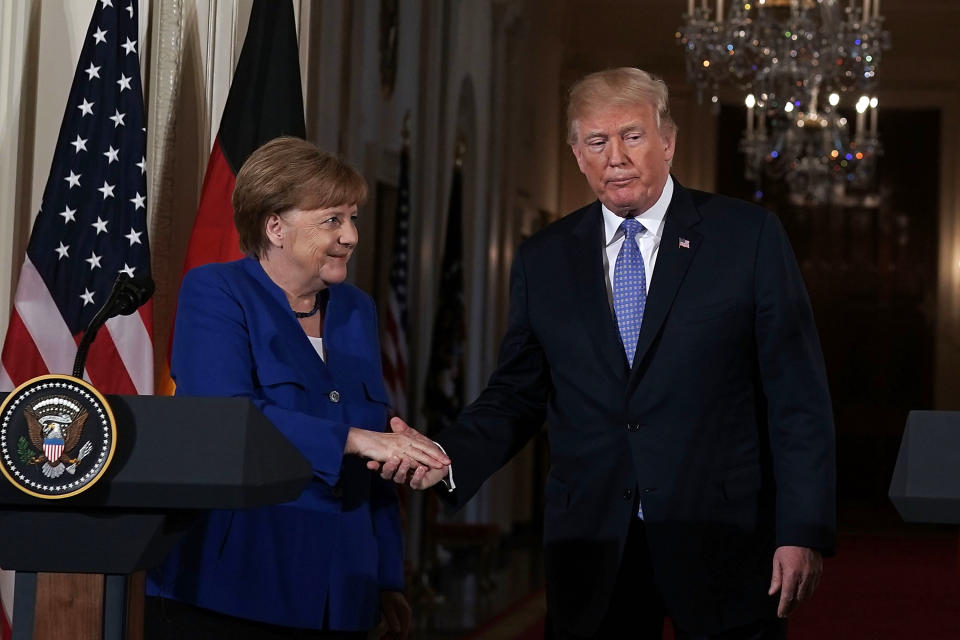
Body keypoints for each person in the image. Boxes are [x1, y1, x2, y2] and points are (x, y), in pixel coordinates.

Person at [390, 68, 836, 639]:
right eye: (597, 142)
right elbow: (518, 393)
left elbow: (796, 393)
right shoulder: (543, 258)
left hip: (722, 533)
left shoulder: (746, 237)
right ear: (577, 155)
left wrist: (800, 528)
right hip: (594, 540)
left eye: (632, 135)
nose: (616, 157)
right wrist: (448, 455)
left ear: (668, 141)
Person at [146, 136, 449, 639]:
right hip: (239, 583)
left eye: (353, 218)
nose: (350, 235)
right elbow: (227, 417)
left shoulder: (356, 309)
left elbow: (376, 446)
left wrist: (388, 577)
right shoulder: (217, 292)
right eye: (332, 219)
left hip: (343, 587)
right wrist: (354, 439)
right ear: (275, 226)